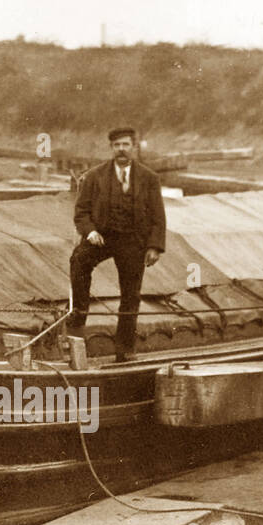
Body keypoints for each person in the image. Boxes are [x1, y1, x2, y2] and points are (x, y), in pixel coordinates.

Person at [68, 127, 166, 363]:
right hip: (102, 237)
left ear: (134, 147)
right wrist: (90, 232)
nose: (121, 150)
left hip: (133, 240)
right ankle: (77, 323)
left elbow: (158, 216)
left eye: (125, 145)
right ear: (111, 148)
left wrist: (154, 247)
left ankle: (125, 349)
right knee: (79, 260)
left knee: (131, 294)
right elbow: (81, 212)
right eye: (116, 145)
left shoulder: (149, 178)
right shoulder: (94, 176)